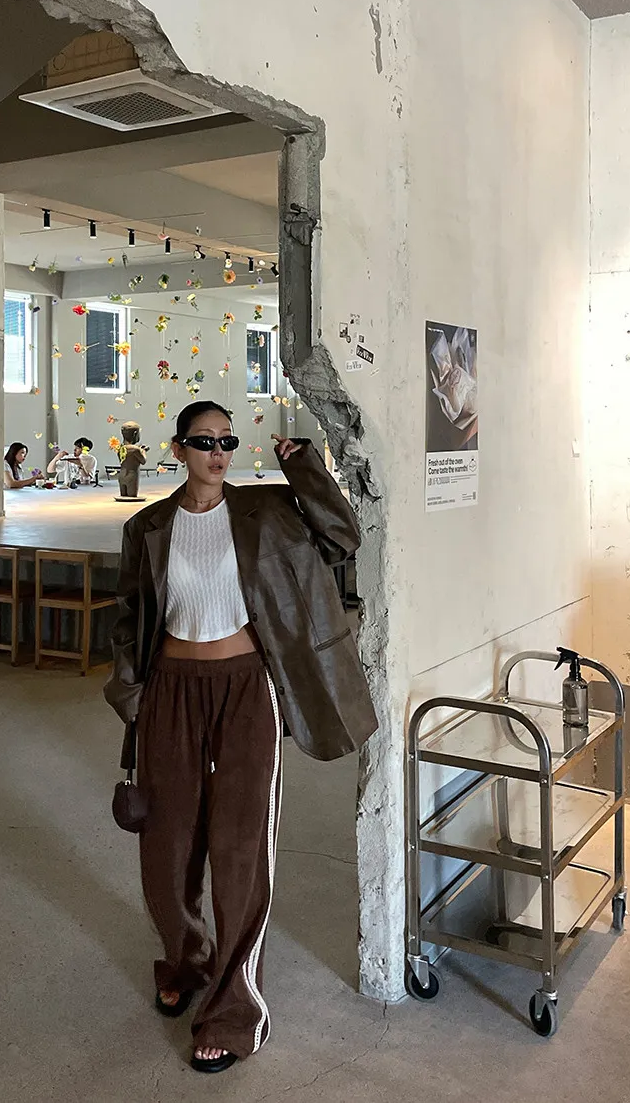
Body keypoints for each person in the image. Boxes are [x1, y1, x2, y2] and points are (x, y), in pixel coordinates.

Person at [105, 400, 377, 1074]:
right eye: (204, 442)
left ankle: (233, 1011)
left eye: (227, 441)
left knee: (239, 847)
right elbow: (131, 615)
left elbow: (343, 537)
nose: (218, 453)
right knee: (166, 848)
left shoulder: (267, 511)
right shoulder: (148, 527)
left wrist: (303, 468)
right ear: (178, 450)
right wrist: (133, 697)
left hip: (246, 690)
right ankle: (185, 957)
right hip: (171, 691)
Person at [116, 421, 147, 499]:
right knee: (131, 497)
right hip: (132, 476)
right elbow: (143, 461)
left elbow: (121, 461)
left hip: (122, 475)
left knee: (124, 497)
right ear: (135, 434)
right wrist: (143, 451)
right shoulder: (135, 449)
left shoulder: (120, 448)